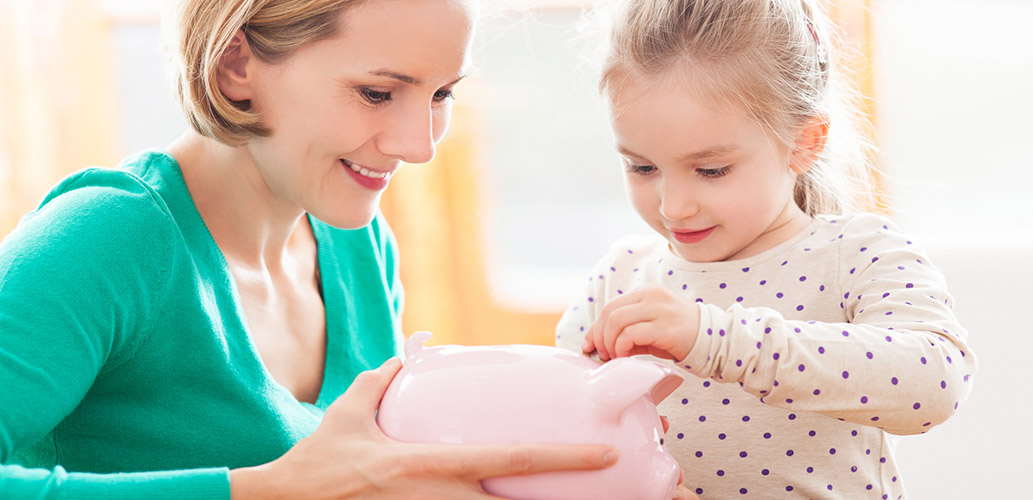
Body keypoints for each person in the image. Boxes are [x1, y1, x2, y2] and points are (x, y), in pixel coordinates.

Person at [0, 1, 624, 498]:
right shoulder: (106, 238)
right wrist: (266, 491)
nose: (420, 146)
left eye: (440, 95)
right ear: (235, 66)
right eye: (377, 94)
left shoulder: (357, 241)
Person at [555, 1, 978, 497]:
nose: (673, 207)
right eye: (642, 167)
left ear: (804, 142)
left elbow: (935, 385)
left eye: (711, 170)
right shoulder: (622, 274)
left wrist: (715, 341)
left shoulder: (856, 254)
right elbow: (566, 429)